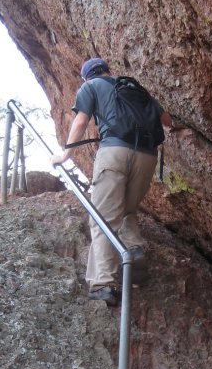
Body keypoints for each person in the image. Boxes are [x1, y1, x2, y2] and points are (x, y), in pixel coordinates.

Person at [52, 57, 173, 307]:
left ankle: (102, 284)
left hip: (114, 152)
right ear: (108, 70)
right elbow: (167, 120)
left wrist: (66, 154)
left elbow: (82, 121)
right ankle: (134, 249)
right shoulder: (133, 87)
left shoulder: (90, 87)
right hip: (147, 156)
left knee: (103, 219)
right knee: (126, 210)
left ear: (87, 76)